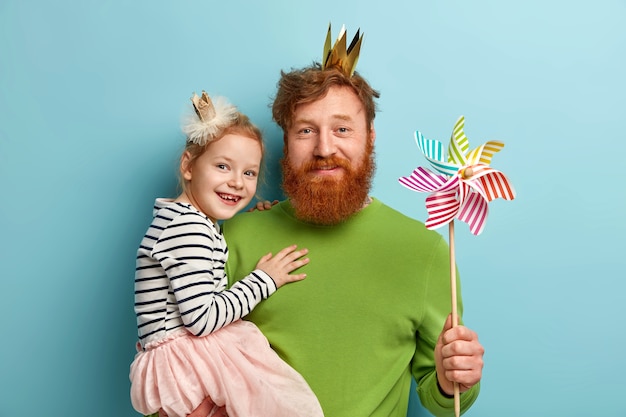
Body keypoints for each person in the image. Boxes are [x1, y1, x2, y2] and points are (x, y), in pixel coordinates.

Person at [130, 91, 324, 417]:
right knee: (281, 403)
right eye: (223, 166)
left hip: (182, 357)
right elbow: (200, 319)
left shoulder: (187, 222)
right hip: (186, 363)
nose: (236, 183)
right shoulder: (187, 229)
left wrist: (259, 217)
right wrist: (263, 281)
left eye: (249, 173)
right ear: (189, 165)